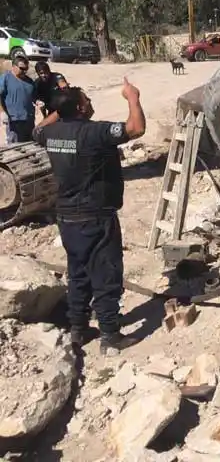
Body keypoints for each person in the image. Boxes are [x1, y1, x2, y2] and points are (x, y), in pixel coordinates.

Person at [33, 77, 146, 354]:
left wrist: (60, 107)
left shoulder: (52, 134)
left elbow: (37, 129)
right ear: (81, 109)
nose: (91, 103)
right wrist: (133, 97)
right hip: (95, 215)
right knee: (105, 273)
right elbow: (136, 128)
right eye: (86, 100)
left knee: (78, 273)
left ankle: (78, 329)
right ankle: (110, 335)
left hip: (67, 217)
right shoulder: (95, 133)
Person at [0, 56, 37, 144]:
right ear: (13, 66)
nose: (24, 71)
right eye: (22, 68)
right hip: (14, 120)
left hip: (29, 120)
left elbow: (34, 97)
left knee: (29, 145)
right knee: (15, 147)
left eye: (26, 68)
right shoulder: (6, 78)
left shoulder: (29, 81)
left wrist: (37, 101)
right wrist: (2, 112)